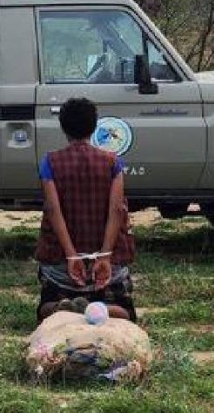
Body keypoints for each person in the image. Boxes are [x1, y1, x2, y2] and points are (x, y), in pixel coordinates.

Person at [36, 97, 136, 323]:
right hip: (106, 267)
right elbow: (116, 209)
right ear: (94, 126)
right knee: (125, 312)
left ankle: (59, 307)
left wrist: (71, 255)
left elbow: (53, 209)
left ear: (63, 128)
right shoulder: (113, 162)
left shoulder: (50, 162)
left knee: (47, 305)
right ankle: (107, 309)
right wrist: (105, 255)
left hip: (62, 263)